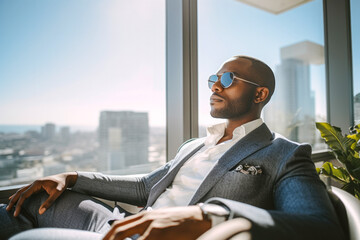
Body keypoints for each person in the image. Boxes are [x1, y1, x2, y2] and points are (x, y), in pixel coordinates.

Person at [0, 56, 345, 240]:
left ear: (260, 94)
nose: (215, 86)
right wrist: (71, 177)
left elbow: (320, 227)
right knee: (29, 201)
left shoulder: (284, 153)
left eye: (228, 79)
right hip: (123, 226)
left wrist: (211, 216)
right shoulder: (197, 144)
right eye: (214, 79)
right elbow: (144, 187)